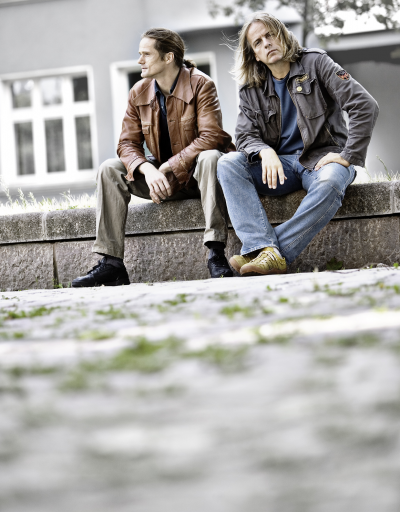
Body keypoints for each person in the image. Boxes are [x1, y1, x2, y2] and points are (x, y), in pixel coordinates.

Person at [217, 12, 379, 277]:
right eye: (258, 42)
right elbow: (245, 136)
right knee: (228, 163)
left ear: (283, 35)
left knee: (331, 182)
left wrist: (348, 155)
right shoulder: (251, 89)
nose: (267, 43)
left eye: (270, 35)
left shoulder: (316, 63)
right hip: (281, 167)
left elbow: (365, 105)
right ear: (254, 55)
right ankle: (261, 245)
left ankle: (265, 252)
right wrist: (265, 151)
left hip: (323, 159)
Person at [72, 28, 234, 287]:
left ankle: (216, 253)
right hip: (162, 180)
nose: (140, 60)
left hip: (199, 179)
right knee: (109, 168)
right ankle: (112, 263)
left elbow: (212, 136)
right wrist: (148, 170)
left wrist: (169, 166)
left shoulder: (201, 84)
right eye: (140, 54)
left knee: (211, 157)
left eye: (146, 54)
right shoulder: (139, 92)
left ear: (168, 57)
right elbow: (126, 143)